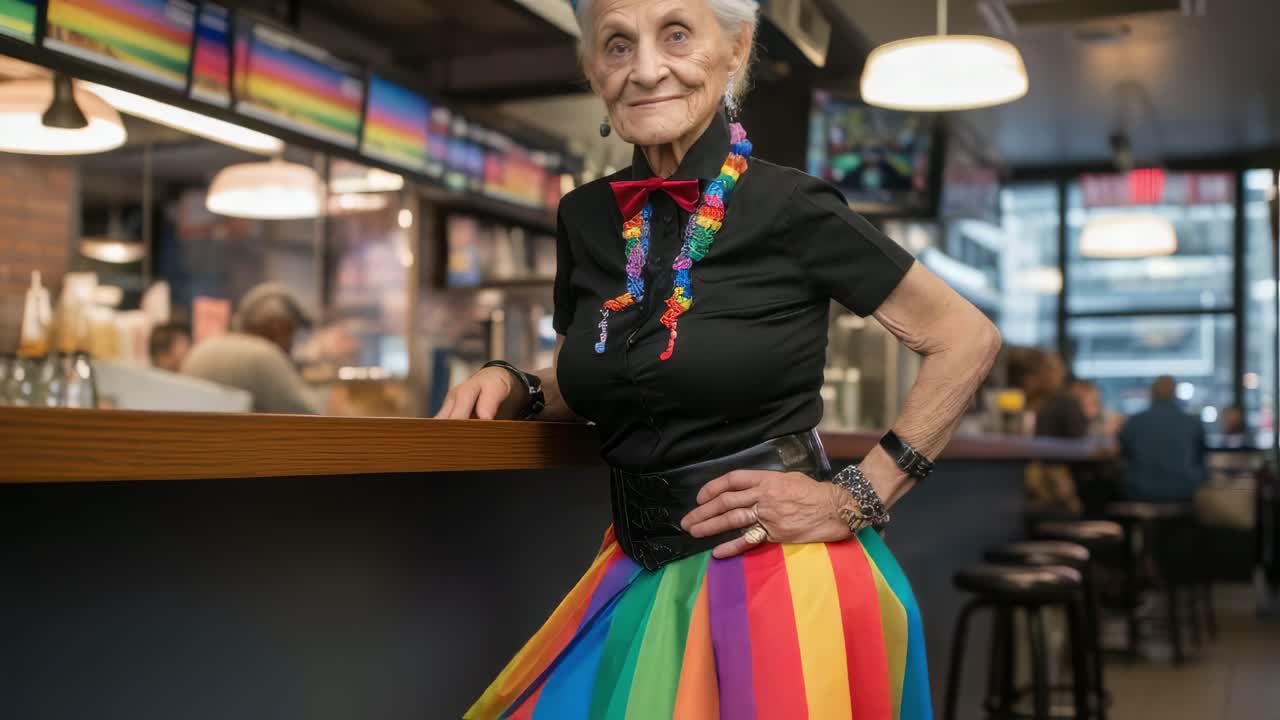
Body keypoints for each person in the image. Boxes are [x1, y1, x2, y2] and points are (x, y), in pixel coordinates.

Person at [445, 1, 1000, 716]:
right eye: (618, 46)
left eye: (677, 35)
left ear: (736, 49)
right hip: (639, 570)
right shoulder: (584, 218)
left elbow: (966, 337)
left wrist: (858, 497)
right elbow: (610, 375)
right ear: (592, 71)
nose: (647, 69)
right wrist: (520, 383)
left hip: (780, 581)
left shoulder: (791, 205)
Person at [181, 283, 320, 415]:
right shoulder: (263, 355)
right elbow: (311, 414)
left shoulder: (203, 346)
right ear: (278, 327)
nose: (291, 345)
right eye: (291, 333)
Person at [1119, 376, 1206, 501]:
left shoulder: (1133, 422)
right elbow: (1200, 459)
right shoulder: (1193, 422)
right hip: (1184, 490)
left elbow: (1125, 456)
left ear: (1152, 394)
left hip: (1140, 490)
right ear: (1174, 394)